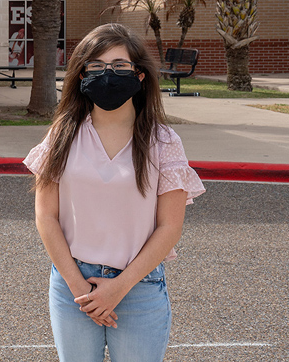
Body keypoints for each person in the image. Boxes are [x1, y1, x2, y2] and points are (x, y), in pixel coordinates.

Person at [24, 23, 205, 362]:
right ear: (81, 77)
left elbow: (170, 226)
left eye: (120, 66)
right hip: (71, 286)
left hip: (139, 289)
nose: (108, 75)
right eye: (95, 66)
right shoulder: (62, 136)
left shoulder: (164, 142)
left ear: (139, 76)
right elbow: (45, 217)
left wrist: (118, 288)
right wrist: (81, 290)